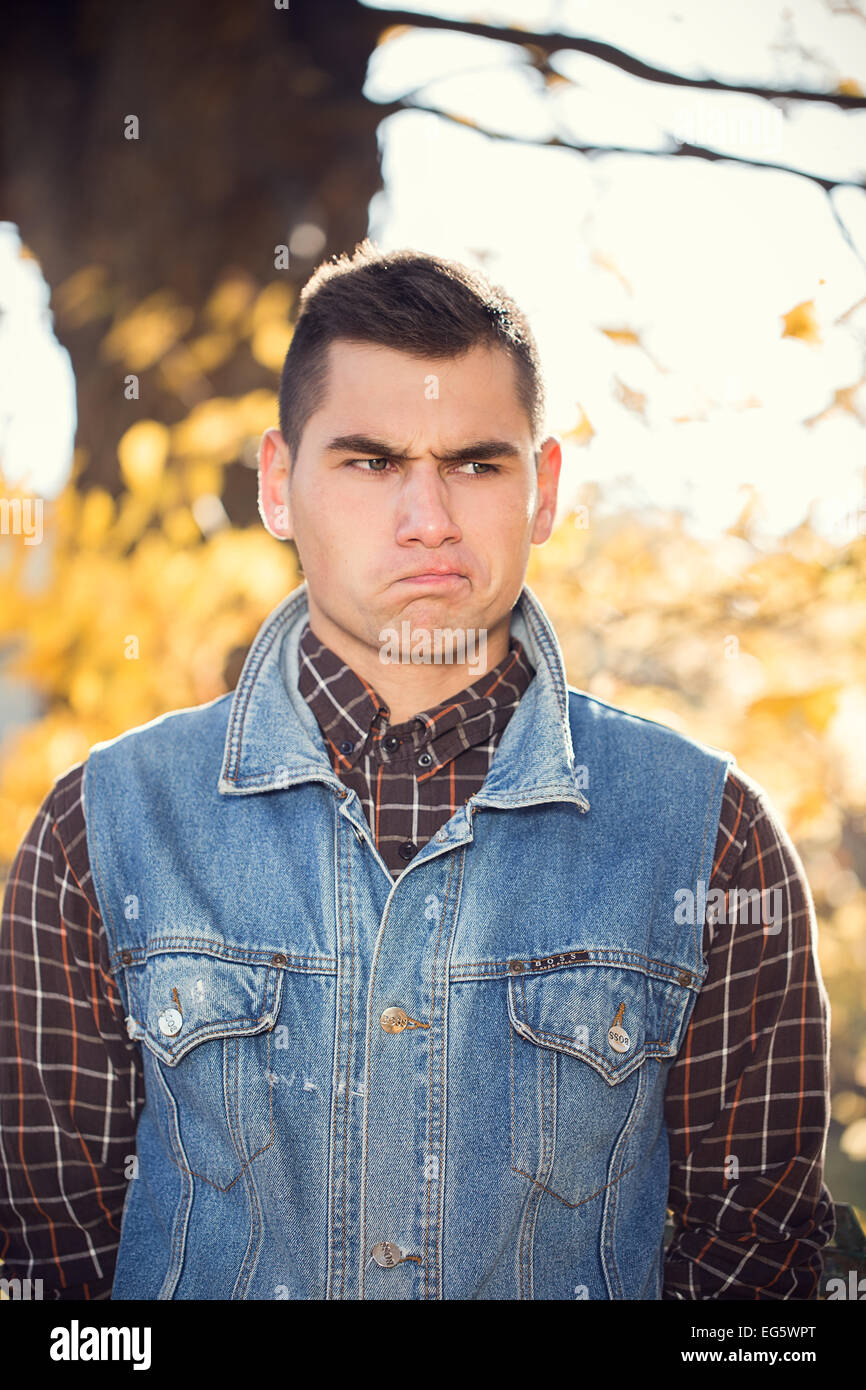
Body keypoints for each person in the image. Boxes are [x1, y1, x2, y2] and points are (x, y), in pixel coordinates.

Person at [0, 242, 834, 1300]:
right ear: (277, 484)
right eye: (371, 461)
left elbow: (755, 1266)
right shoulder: (106, 826)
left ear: (540, 492)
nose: (427, 519)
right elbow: (44, 1254)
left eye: (475, 463)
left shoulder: (704, 830)